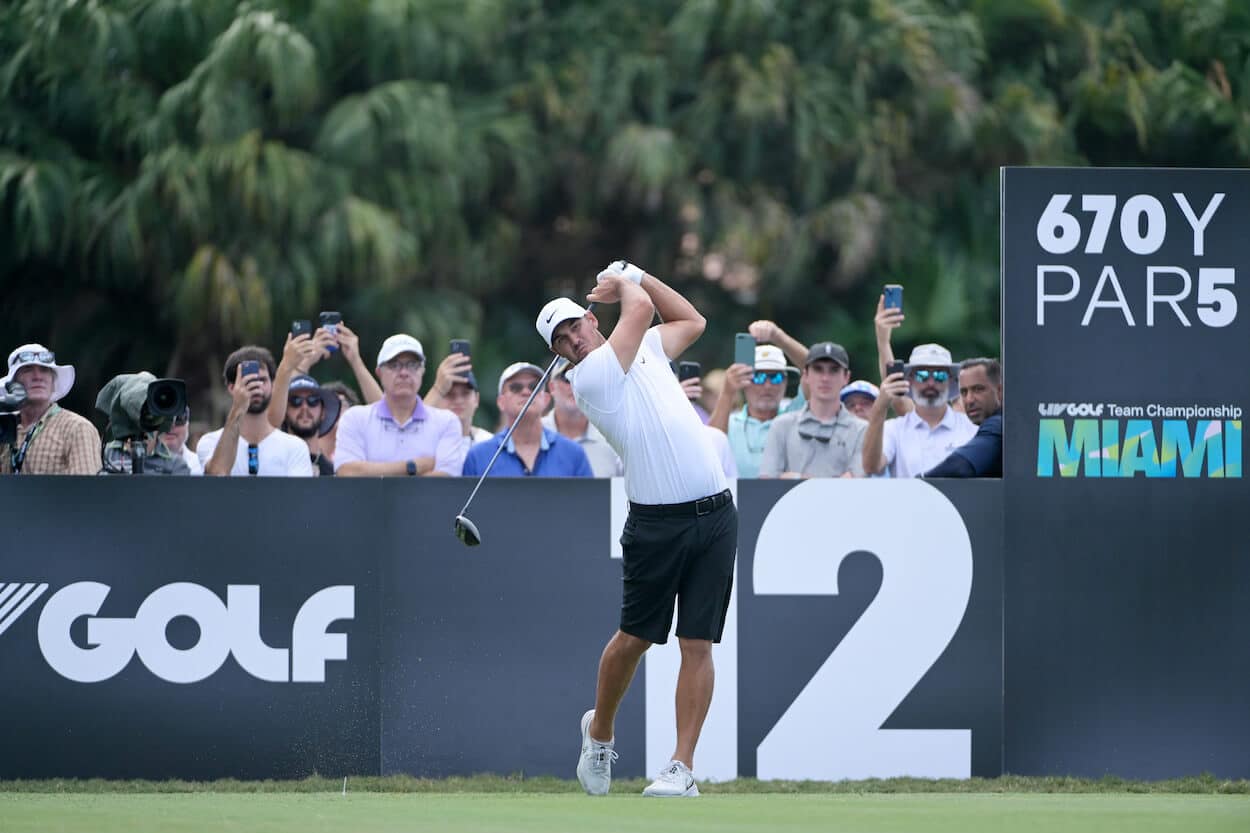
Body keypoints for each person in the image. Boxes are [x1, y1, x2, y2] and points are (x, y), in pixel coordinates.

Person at [537, 259, 736, 799]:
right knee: (635, 639)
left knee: (698, 643)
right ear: (558, 355)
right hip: (655, 524)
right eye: (560, 339)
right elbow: (642, 307)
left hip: (716, 515)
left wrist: (639, 274)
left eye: (576, 325)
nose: (573, 339)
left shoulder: (645, 346)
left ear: (593, 319)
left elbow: (692, 322)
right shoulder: (590, 378)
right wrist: (625, 281)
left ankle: (681, 767)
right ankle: (598, 732)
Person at [334, 334, 466, 477]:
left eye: (412, 365)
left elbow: (445, 479)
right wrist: (412, 466)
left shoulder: (447, 422)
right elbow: (347, 472)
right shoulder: (355, 418)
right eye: (394, 365)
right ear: (379, 373)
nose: (404, 373)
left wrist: (372, 472)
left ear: (422, 371)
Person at [862, 343, 976, 478]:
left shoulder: (972, 428)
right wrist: (880, 407)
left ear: (951, 381)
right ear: (909, 380)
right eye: (922, 375)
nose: (931, 383)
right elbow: (871, 467)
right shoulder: (893, 429)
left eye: (940, 375)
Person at [461, 362, 594, 478]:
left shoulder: (573, 454)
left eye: (534, 386)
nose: (526, 392)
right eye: (516, 388)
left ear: (546, 400)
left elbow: (589, 504)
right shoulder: (478, 457)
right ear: (501, 402)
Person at [198, 347, 313, 477]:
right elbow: (218, 473)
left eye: (262, 380)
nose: (256, 386)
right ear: (231, 387)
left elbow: (299, 496)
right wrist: (238, 408)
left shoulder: (295, 447)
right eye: (248, 380)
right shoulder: (210, 442)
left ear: (272, 384)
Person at [760, 342, 867, 479]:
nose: (825, 378)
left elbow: (857, 480)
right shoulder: (781, 425)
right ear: (805, 376)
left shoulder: (862, 429)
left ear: (846, 377)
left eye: (834, 370)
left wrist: (795, 478)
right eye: (818, 369)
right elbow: (766, 481)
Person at [0, 343, 101, 475]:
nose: (38, 376)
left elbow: (87, 490)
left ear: (53, 383)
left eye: (44, 370)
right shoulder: (4, 428)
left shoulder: (77, 428)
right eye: (28, 370)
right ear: (12, 384)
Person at [708, 344, 801, 478]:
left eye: (776, 377)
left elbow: (815, 372)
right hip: (738, 498)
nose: (767, 385)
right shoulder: (728, 423)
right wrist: (728, 392)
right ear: (744, 382)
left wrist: (778, 336)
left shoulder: (796, 417)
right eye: (758, 377)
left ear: (785, 382)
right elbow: (710, 451)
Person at [924, 358, 1003, 477]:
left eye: (978, 389)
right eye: (964, 392)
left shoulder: (998, 424)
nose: (969, 400)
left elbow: (959, 466)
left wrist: (918, 483)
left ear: (999, 391)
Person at [542, 361, 622, 477]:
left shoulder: (614, 436)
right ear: (551, 387)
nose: (575, 384)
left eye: (582, 377)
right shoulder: (533, 433)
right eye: (567, 378)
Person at [423, 350, 494, 447]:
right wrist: (437, 388)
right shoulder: (425, 442)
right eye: (450, 394)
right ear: (438, 398)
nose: (458, 400)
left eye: (465, 393)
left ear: (476, 399)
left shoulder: (489, 443)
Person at [282, 374, 342, 476]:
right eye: (296, 401)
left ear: (323, 412)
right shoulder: (272, 465)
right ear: (284, 412)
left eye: (313, 401)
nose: (304, 407)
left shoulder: (334, 474)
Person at [160, 407, 203, 475]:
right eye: (164, 421)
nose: (171, 426)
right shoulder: (141, 464)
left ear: (187, 426)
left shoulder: (201, 466)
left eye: (179, 419)